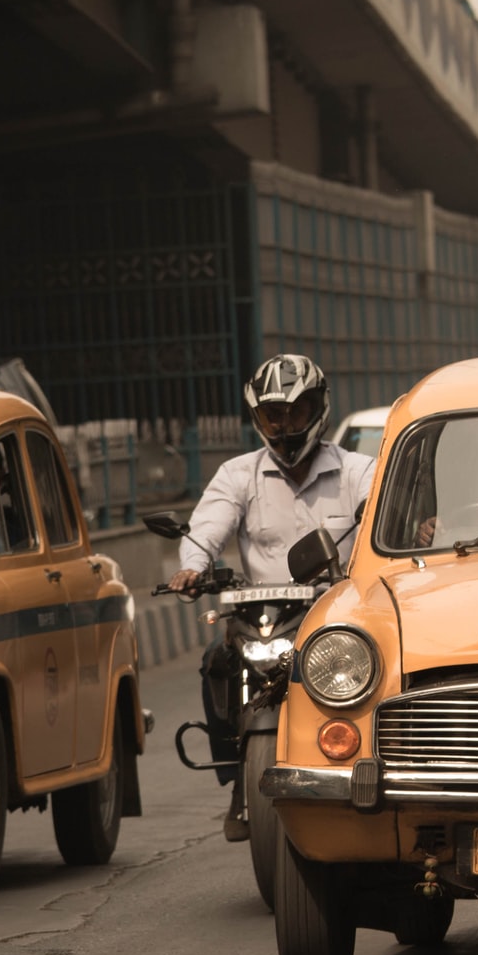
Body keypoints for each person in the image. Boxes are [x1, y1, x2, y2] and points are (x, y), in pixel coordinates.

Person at [166, 354, 375, 840]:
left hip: (333, 614)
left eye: (294, 413)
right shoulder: (238, 475)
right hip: (260, 614)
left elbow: (379, 512)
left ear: (318, 409)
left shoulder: (358, 470)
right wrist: (192, 568)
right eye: (271, 416)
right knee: (216, 664)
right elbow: (207, 528)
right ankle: (234, 773)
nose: (283, 427)